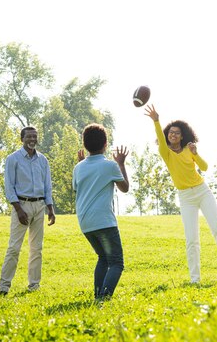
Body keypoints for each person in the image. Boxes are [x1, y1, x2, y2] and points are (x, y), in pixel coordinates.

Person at [144, 104, 217, 283]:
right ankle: (194, 279)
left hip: (202, 192)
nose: (172, 134)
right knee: (191, 239)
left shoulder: (189, 150)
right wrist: (157, 121)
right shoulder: (165, 152)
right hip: (185, 197)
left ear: (182, 136)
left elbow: (204, 167)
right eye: (170, 132)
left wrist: (196, 154)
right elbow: (159, 135)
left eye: (176, 133)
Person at [73, 123, 129, 301]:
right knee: (116, 263)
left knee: (103, 258)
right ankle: (104, 297)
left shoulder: (78, 167)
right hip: (104, 221)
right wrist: (121, 163)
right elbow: (125, 188)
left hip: (85, 222)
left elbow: (77, 188)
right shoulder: (110, 166)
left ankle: (98, 295)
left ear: (85, 144)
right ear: (105, 144)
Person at [0, 126, 56, 295]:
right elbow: (9, 187)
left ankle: (34, 285)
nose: (32, 139)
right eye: (29, 136)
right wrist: (18, 209)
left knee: (36, 248)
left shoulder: (43, 160)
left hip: (39, 206)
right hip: (21, 205)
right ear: (22, 139)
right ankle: (4, 287)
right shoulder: (13, 159)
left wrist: (50, 208)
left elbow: (47, 186)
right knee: (14, 248)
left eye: (35, 136)